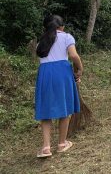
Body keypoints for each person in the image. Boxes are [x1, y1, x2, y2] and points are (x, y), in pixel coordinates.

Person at [35, 15, 83, 158]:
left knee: (46, 110)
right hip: (62, 72)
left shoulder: (41, 42)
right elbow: (74, 56)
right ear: (61, 27)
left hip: (44, 74)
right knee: (65, 107)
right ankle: (62, 144)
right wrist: (80, 69)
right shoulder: (67, 37)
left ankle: (46, 148)